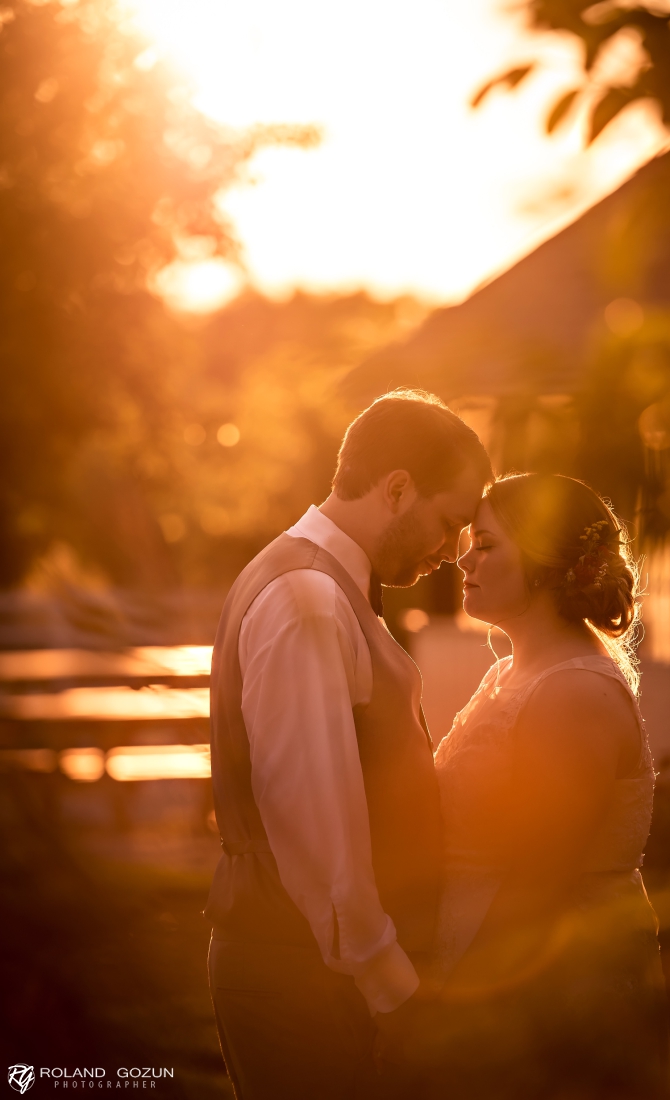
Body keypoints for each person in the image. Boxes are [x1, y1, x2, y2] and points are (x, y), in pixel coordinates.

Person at [204, 389, 491, 1100]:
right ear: (396, 488)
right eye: (449, 521)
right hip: (307, 979)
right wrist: (390, 985)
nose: (452, 553)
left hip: (315, 971)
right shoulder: (308, 600)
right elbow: (314, 822)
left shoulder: (320, 584)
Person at [408, 473, 670, 1099]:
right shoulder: (512, 671)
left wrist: (456, 1011)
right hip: (489, 961)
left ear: (546, 562)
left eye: (489, 545)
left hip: (549, 990)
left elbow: (539, 882)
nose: (465, 559)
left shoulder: (572, 694)